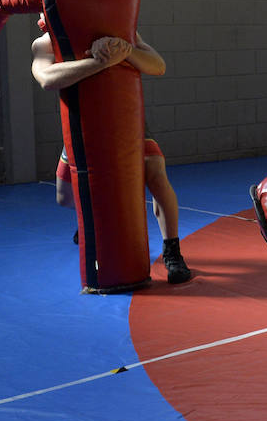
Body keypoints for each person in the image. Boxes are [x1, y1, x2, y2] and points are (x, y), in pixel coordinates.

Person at [31, 21, 192, 283]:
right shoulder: (47, 42)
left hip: (126, 119)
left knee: (155, 172)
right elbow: (48, 79)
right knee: (64, 196)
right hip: (82, 124)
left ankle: (172, 251)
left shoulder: (118, 31)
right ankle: (86, 218)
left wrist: (125, 51)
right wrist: (99, 63)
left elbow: (158, 65)